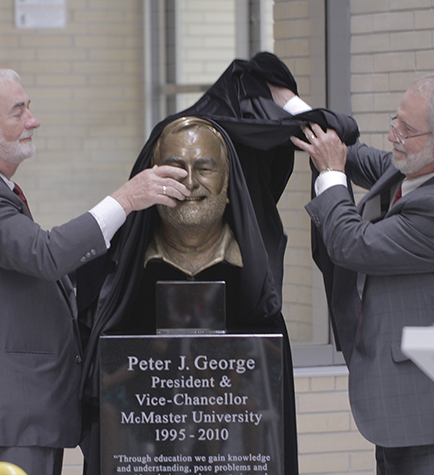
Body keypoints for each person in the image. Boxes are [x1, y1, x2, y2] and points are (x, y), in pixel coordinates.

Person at [75, 52, 360, 475]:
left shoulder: (254, 296)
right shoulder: (120, 294)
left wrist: (295, 109)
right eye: (175, 167)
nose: (189, 183)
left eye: (205, 168)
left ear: (228, 185)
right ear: (151, 177)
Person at [0, 65, 190, 475]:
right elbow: (45, 255)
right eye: (17, 111)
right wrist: (127, 199)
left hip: (25, 413)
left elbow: (39, 274)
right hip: (1, 417)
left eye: (29, 106)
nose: (34, 119)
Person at [291, 73, 434, 474]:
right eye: (395, 120)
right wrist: (293, 109)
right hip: (404, 402)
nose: (394, 135)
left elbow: (352, 243)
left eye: (407, 129)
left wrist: (331, 175)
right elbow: (364, 158)